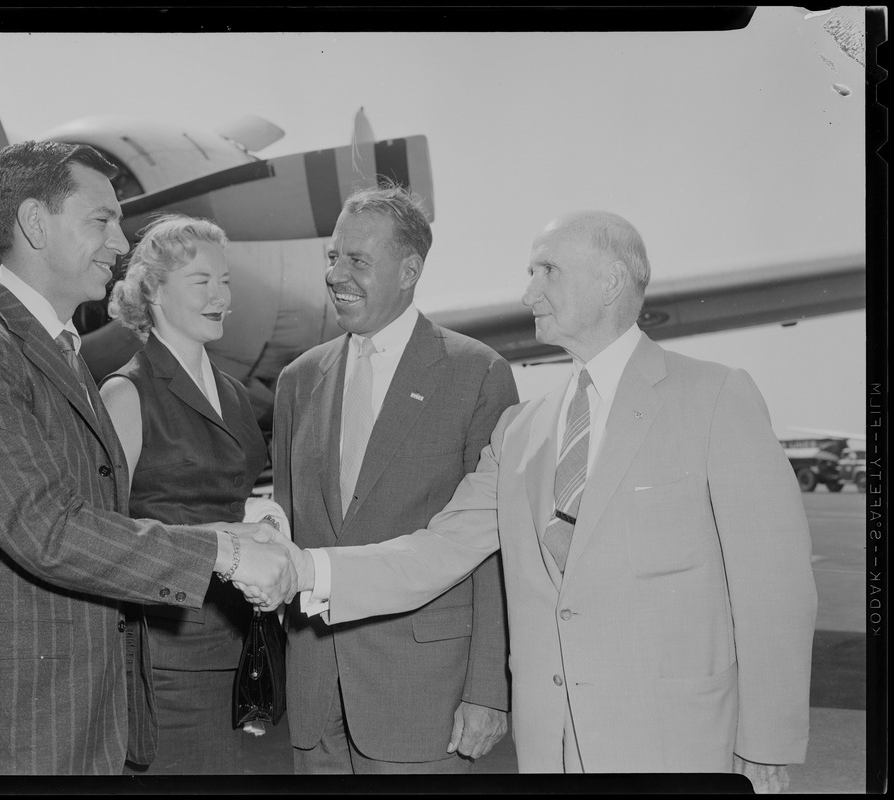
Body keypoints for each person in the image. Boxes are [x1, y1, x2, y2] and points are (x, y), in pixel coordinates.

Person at [253, 210, 818, 791]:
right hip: (552, 745)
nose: (528, 291)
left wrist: (767, 742)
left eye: (548, 270)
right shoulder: (520, 431)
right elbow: (439, 550)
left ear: (611, 283)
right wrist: (306, 568)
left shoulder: (716, 397)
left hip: (679, 741)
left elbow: (775, 586)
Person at [0, 141, 294, 790]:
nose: (120, 240)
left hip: (84, 716)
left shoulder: (62, 352)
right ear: (34, 223)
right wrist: (221, 552)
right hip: (13, 728)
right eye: (100, 220)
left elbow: (98, 517)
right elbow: (43, 528)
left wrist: (226, 532)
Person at [270, 185, 518, 773]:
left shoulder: (477, 372)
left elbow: (490, 547)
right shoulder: (298, 379)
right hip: (315, 695)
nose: (336, 274)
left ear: (410, 270)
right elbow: (287, 523)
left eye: (357, 260)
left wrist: (488, 689)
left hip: (424, 698)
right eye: (332, 257)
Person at [99, 214, 285, 774]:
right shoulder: (126, 393)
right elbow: (106, 534)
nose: (220, 296)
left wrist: (263, 520)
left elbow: (229, 493)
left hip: (237, 641)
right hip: (165, 650)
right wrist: (230, 537)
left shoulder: (232, 393)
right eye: (201, 281)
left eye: (225, 281)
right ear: (152, 289)